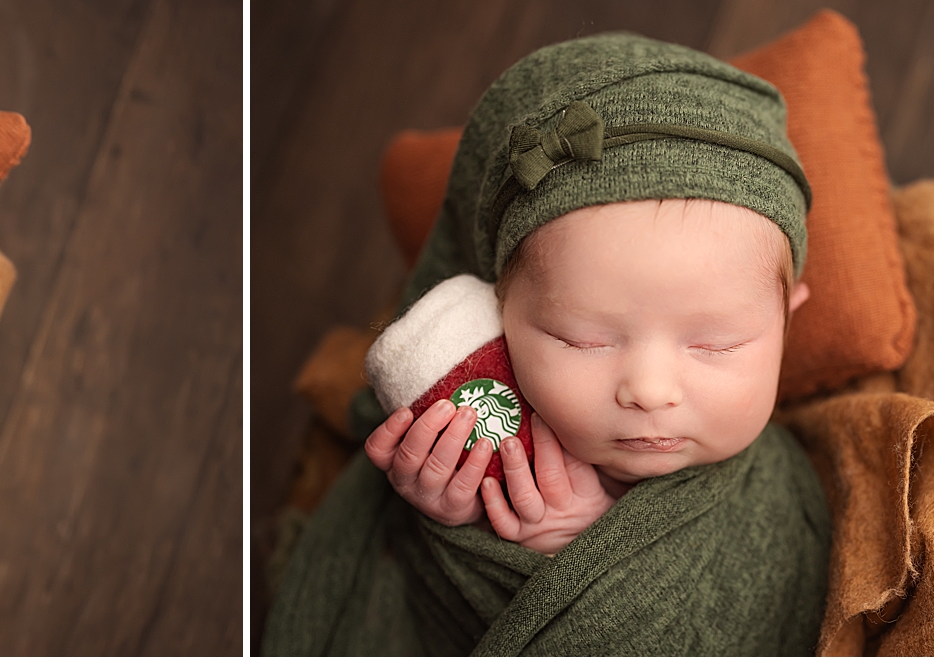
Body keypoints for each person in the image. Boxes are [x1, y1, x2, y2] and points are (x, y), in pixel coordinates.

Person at [263, 35, 831, 655]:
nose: (649, 390)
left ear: (785, 321)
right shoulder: (480, 438)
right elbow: (409, 607)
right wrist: (459, 523)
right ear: (496, 313)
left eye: (716, 344)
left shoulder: (786, 509)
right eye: (582, 340)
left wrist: (583, 554)